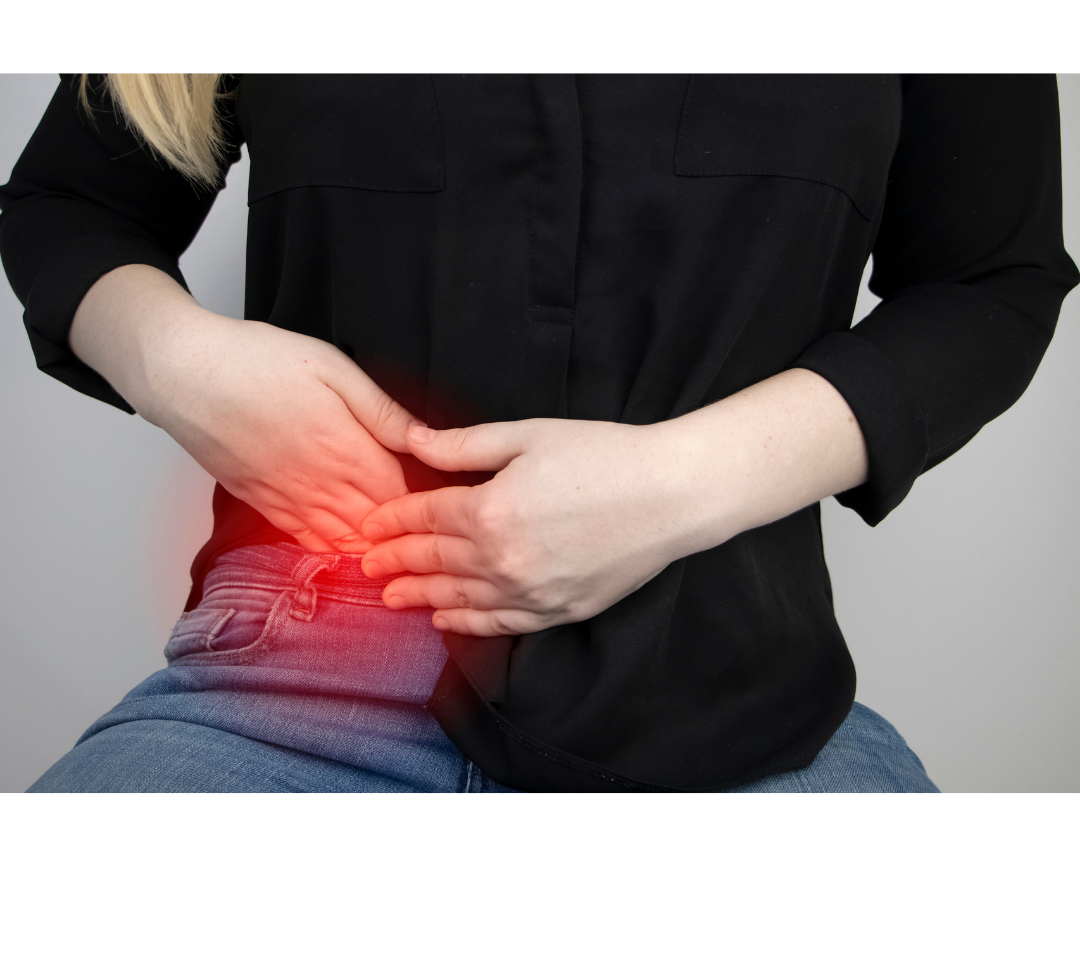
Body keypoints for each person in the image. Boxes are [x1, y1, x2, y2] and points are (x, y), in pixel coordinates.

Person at [2, 73, 1074, 794]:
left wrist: (676, 486)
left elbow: (990, 281)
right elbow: (67, 203)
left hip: (739, 702)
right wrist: (182, 360)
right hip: (292, 670)